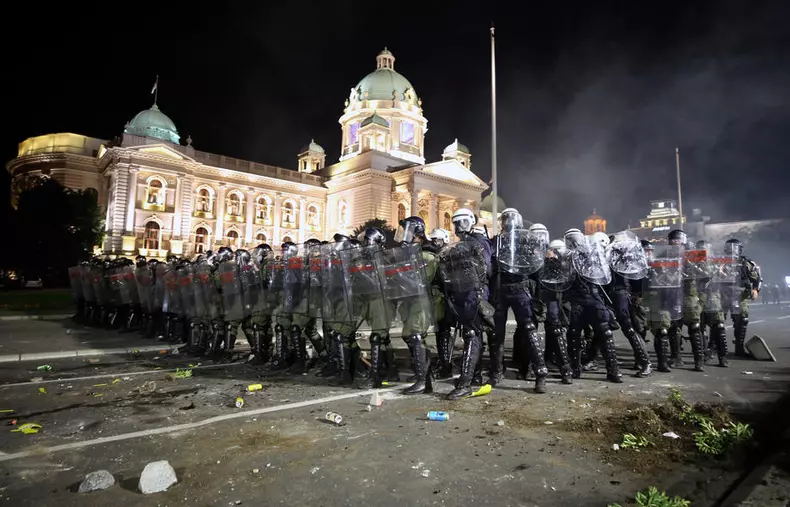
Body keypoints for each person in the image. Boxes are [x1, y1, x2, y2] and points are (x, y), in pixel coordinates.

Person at [490, 209, 548, 393]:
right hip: (512, 289)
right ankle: (537, 374)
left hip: (514, 288)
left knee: (520, 331)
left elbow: (537, 267)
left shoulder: (502, 240)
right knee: (506, 332)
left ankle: (536, 372)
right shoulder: (508, 239)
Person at [441, 208, 493, 400]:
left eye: (462, 222)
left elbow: (486, 270)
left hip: (475, 293)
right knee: (472, 334)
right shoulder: (457, 247)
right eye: (456, 223)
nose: (458, 227)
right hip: (462, 294)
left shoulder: (479, 243)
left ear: (471, 222)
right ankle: (476, 375)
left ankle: (464, 383)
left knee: (472, 334)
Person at [392, 216, 438, 395]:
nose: (403, 234)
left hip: (422, 300)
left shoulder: (427, 254)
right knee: (408, 335)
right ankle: (426, 376)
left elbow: (421, 280)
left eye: (406, 230)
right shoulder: (412, 252)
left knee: (416, 336)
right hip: (411, 300)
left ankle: (422, 380)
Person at [720, 238, 762, 357]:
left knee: (742, 319)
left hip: (740, 295)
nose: (732, 251)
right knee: (718, 321)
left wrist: (755, 289)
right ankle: (716, 347)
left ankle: (739, 347)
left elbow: (757, 278)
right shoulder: (720, 262)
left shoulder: (746, 262)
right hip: (722, 294)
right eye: (729, 248)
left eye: (735, 248)